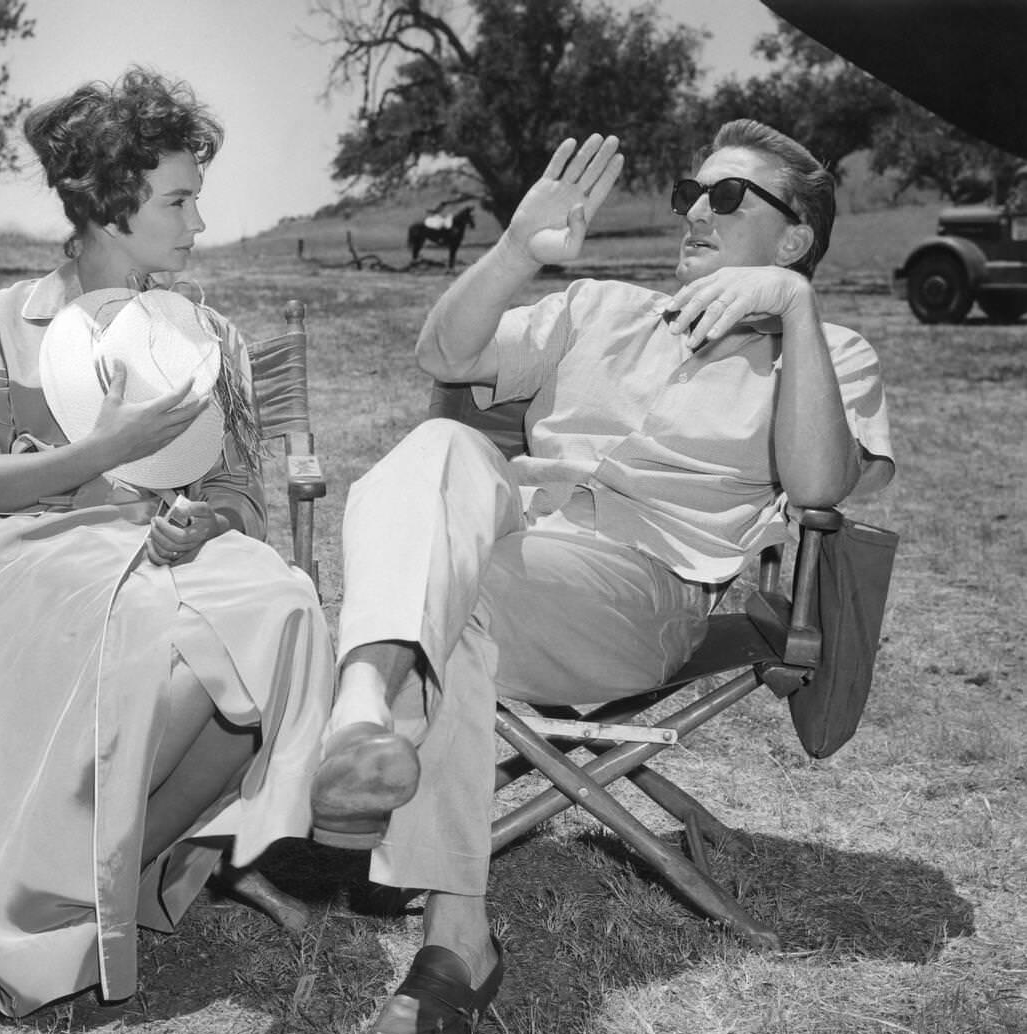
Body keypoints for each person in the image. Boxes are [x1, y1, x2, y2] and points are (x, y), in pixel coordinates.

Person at [308, 119, 895, 1033]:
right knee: (439, 450)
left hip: (641, 593)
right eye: (692, 192)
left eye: (727, 196)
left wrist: (793, 304)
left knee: (447, 596)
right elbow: (445, 357)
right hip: (512, 538)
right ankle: (419, 852)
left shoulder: (830, 353)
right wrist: (515, 249)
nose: (696, 210)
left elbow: (821, 485)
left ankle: (363, 726)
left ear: (793, 240)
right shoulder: (600, 308)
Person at [0, 68, 333, 1034]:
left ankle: (85, 884)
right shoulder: (6, 320)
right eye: (178, 201)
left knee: (284, 610)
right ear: (106, 204)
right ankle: (19, 915)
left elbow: (239, 497)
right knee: (158, 642)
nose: (198, 223)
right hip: (27, 556)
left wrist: (208, 522)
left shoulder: (207, 336)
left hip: (160, 556)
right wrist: (106, 449)